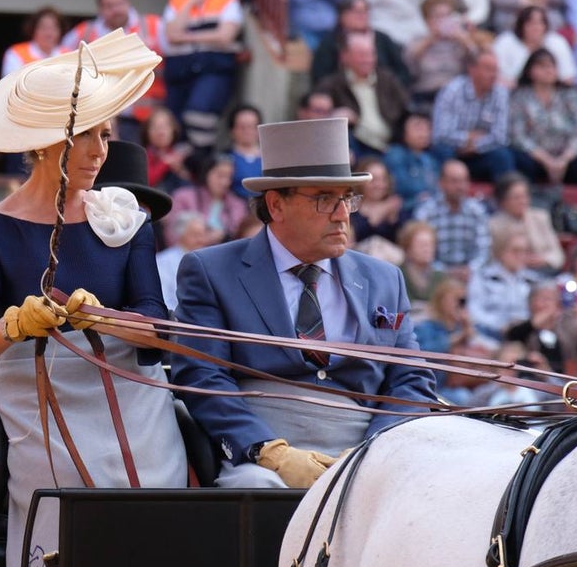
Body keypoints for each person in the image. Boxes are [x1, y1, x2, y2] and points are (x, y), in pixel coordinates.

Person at [0, 29, 187, 567]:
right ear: (43, 144)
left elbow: (157, 329)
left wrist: (103, 319)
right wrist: (16, 323)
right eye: (85, 134)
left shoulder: (125, 219)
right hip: (39, 409)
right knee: (60, 531)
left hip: (134, 404)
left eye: (105, 134)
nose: (99, 149)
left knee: (154, 541)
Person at [171, 116, 437, 489]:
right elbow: (202, 377)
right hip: (264, 453)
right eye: (324, 199)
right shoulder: (212, 271)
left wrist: (373, 449)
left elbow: (410, 378)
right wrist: (269, 452)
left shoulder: (384, 278)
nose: (342, 215)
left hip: (366, 447)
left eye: (346, 199)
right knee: (254, 489)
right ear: (276, 205)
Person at [60, 0, 166, 143]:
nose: (116, 9)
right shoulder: (85, 32)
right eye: (109, 5)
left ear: (128, 2)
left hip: (147, 121)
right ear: (100, 9)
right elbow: (61, 61)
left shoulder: (153, 25)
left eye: (119, 3)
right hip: (102, 117)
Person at [162, 0, 244, 153]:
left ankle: (202, 159)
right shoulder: (178, 1)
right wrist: (191, 2)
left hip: (213, 67)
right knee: (176, 120)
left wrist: (188, 37)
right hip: (180, 70)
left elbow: (225, 36)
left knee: (199, 112)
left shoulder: (227, 0)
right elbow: (171, 33)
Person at [314, 32, 410, 159]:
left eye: (371, 54)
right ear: (345, 56)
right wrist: (334, 116)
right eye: (361, 55)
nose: (367, 59)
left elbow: (406, 109)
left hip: (390, 146)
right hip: (356, 146)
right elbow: (315, 117)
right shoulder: (331, 85)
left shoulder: (388, 80)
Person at [508, 48, 577, 186]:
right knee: (520, 161)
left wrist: (564, 159)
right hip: (535, 156)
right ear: (530, 71)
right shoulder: (519, 97)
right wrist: (548, 161)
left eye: (551, 66)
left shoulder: (570, 95)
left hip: (567, 156)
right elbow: (518, 136)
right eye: (542, 66)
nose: (548, 70)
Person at [431, 49, 515, 182]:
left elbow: (501, 137)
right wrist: (466, 138)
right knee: (441, 150)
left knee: (503, 155)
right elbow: (440, 134)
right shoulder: (452, 91)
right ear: (472, 69)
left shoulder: (500, 94)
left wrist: (476, 145)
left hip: (482, 153)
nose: (493, 75)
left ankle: (505, 199)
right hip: (454, 152)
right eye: (488, 69)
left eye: (496, 70)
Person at [310, 0, 413, 88]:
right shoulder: (330, 43)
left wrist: (390, 88)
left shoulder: (382, 39)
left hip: (384, 95)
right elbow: (321, 77)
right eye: (356, 11)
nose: (362, 16)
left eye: (365, 11)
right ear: (341, 15)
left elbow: (403, 73)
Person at [412, 158, 491, 278]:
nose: (461, 186)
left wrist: (471, 269)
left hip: (471, 276)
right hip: (434, 276)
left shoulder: (477, 211)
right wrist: (445, 272)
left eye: (464, 181)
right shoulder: (426, 212)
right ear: (441, 183)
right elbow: (419, 252)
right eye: (455, 181)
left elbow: (484, 250)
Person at [467, 230, 543, 343]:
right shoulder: (483, 277)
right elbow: (474, 310)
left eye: (524, 251)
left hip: (524, 335)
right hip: (489, 335)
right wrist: (501, 325)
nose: (520, 256)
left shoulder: (534, 281)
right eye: (515, 251)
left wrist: (521, 324)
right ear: (500, 252)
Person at [405, 0, 479, 105]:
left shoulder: (459, 41)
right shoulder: (417, 41)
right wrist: (430, 39)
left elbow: (477, 63)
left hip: (457, 96)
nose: (444, 20)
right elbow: (409, 65)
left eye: (448, 15)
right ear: (427, 20)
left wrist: (465, 41)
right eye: (438, 16)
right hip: (427, 95)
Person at [488, 172, 564, 274]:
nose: (522, 201)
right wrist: (519, 260)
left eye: (524, 196)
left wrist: (543, 259)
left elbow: (557, 254)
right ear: (503, 201)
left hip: (542, 271)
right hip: (509, 273)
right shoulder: (493, 225)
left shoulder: (540, 218)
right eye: (516, 197)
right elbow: (492, 259)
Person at [165, 155, 248, 248]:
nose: (225, 182)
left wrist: (224, 235)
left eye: (229, 177)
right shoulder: (183, 197)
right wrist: (206, 238)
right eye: (220, 175)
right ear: (206, 173)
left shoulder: (237, 204)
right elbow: (172, 234)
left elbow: (239, 237)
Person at [493, 6, 577, 89]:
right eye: (530, 23)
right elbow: (494, 75)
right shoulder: (505, 42)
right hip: (511, 92)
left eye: (540, 23)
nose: (536, 27)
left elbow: (568, 78)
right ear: (521, 25)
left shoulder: (557, 42)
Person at [384, 110, 438, 214]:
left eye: (427, 128)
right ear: (403, 129)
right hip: (404, 210)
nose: (423, 132)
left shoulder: (431, 159)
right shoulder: (395, 154)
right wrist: (422, 197)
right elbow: (401, 187)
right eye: (418, 127)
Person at [156, 212, 208, 311]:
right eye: (195, 235)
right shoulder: (163, 261)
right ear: (181, 235)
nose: (201, 240)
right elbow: (163, 298)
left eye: (203, 235)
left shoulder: (209, 261)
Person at [139, 106, 193, 195]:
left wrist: (180, 170)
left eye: (165, 126)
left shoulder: (183, 156)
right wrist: (164, 163)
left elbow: (192, 189)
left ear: (173, 130)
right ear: (147, 132)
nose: (160, 131)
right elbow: (145, 182)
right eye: (155, 126)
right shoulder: (141, 155)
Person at [1, 6, 64, 77]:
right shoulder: (16, 53)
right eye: (44, 28)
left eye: (54, 28)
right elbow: (11, 83)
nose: (49, 33)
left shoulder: (68, 54)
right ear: (33, 29)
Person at [397, 220, 447, 308]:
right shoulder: (398, 274)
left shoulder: (441, 277)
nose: (427, 249)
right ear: (408, 248)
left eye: (430, 244)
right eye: (422, 245)